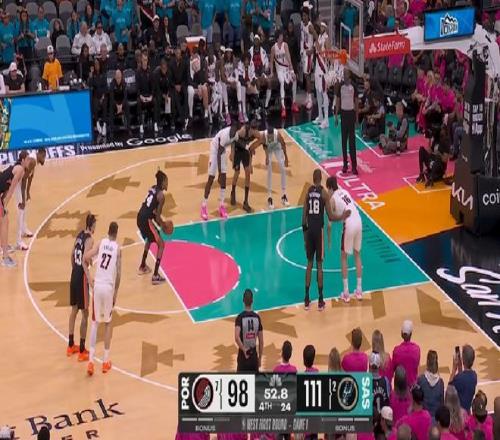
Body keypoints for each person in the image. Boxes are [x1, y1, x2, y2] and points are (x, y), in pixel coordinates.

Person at [85, 221, 121, 376]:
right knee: (107, 324)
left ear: (108, 231)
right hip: (108, 288)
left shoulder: (100, 243)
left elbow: (86, 256)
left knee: (95, 323)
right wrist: (116, 293)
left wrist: (90, 266)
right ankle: (105, 361)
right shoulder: (118, 249)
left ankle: (91, 361)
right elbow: (119, 274)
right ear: (116, 233)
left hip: (98, 286)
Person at [302, 169, 340, 311]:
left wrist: (304, 236)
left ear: (313, 178)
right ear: (321, 178)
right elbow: (330, 216)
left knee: (309, 264)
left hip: (309, 230)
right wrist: (342, 216)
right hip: (319, 231)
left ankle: (306, 299)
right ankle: (320, 300)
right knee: (319, 265)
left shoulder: (308, 192)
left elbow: (303, 216)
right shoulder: (324, 193)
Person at [326, 176, 362, 302]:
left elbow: (330, 222)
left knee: (343, 257)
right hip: (359, 221)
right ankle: (359, 291)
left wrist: (329, 238)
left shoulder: (332, 199)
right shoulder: (345, 192)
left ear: (330, 188)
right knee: (357, 255)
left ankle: (346, 293)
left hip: (349, 223)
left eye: (328, 189)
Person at [67, 213, 96, 361]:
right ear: (92, 225)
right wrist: (89, 278)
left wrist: (75, 269)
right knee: (85, 313)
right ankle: (82, 350)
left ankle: (70, 344)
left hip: (74, 274)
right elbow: (85, 259)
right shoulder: (90, 239)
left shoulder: (79, 235)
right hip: (82, 277)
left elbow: (72, 254)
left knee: (74, 310)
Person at [137, 170, 169, 285]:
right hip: (146, 220)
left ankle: (142, 266)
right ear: (163, 182)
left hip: (140, 216)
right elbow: (157, 217)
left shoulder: (152, 188)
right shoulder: (161, 196)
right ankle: (155, 276)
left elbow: (153, 213)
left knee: (150, 238)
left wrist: (160, 224)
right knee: (161, 244)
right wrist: (164, 225)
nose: (167, 183)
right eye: (166, 181)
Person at [200, 125, 239, 220]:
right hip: (215, 150)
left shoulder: (236, 135)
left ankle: (221, 206)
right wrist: (220, 172)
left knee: (224, 180)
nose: (234, 131)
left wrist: (232, 155)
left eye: (235, 130)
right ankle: (203, 206)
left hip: (222, 150)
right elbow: (218, 154)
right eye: (233, 129)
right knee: (211, 178)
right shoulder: (225, 135)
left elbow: (233, 144)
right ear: (231, 127)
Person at [0, 151, 28, 268]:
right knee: (4, 221)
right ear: (23, 160)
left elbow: (6, 188)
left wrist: (3, 204)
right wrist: (4, 206)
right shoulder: (20, 169)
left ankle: (3, 246)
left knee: (4, 220)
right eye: (27, 159)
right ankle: (5, 257)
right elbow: (11, 189)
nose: (28, 162)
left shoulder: (16, 169)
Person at [15, 149, 46, 251]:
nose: (44, 159)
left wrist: (27, 192)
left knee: (24, 209)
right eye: (44, 156)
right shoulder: (32, 161)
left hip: (21, 183)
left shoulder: (34, 161)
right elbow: (24, 179)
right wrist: (23, 198)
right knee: (20, 210)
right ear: (39, 154)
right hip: (17, 183)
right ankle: (19, 242)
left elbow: (30, 177)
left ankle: (24, 229)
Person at [230, 122, 259, 213]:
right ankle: (233, 192)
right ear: (251, 129)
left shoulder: (256, 134)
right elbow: (233, 139)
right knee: (237, 172)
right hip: (237, 150)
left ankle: (246, 202)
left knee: (248, 173)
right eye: (254, 131)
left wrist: (250, 164)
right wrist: (232, 153)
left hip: (245, 151)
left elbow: (253, 147)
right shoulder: (242, 131)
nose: (256, 132)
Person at [270, 30, 299, 118]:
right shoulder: (273, 48)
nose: (282, 37)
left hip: (287, 68)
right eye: (281, 36)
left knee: (294, 79)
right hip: (279, 70)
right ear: (277, 38)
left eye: (282, 36)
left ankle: (294, 103)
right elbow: (271, 62)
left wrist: (292, 70)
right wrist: (271, 72)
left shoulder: (285, 45)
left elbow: (288, 57)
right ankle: (283, 107)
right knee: (282, 81)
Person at [335, 69, 358, 174]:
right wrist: (336, 115)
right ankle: (345, 164)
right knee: (344, 141)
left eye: (346, 74)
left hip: (351, 114)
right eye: (343, 74)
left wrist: (356, 118)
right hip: (343, 114)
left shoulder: (354, 86)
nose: (344, 75)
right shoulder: (340, 86)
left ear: (349, 75)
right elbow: (338, 101)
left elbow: (356, 102)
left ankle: (354, 166)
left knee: (352, 142)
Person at [234, 289, 263, 372]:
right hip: (253, 357)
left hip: (243, 357)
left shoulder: (240, 317)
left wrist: (244, 349)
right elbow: (261, 341)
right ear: (252, 301)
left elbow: (236, 337)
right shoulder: (257, 318)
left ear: (243, 300)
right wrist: (260, 358)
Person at [261, 126, 289, 209]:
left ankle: (284, 195)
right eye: (269, 136)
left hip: (277, 147)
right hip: (269, 149)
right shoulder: (264, 136)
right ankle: (269, 197)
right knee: (269, 169)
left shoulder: (278, 135)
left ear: (273, 134)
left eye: (271, 136)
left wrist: (286, 158)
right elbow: (264, 146)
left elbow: (283, 144)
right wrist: (266, 157)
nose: (270, 138)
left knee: (283, 168)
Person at [417, 350, 444, 421]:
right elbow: (442, 404)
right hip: (436, 419)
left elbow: (416, 401)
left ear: (427, 362)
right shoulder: (441, 382)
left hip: (423, 418)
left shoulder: (421, 379)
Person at [392, 319, 421, 387]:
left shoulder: (396, 351)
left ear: (402, 334)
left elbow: (393, 369)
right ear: (411, 334)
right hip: (413, 387)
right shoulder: (417, 349)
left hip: (400, 387)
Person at [449, 345, 477, 413]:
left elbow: (449, 390)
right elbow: (463, 378)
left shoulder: (459, 379)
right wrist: (460, 366)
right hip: (467, 412)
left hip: (458, 414)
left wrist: (454, 369)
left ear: (463, 359)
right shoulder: (474, 376)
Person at [314, 22, 331, 129]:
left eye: (322, 26)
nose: (320, 28)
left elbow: (327, 55)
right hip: (317, 68)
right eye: (320, 26)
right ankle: (320, 115)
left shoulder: (326, 39)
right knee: (318, 92)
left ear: (325, 27)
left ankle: (326, 119)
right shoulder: (319, 37)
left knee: (324, 93)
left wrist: (319, 48)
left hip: (323, 68)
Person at [89, 59, 108, 142]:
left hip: (103, 95)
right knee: (95, 103)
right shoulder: (92, 75)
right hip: (96, 96)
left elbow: (105, 86)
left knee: (104, 103)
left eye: (98, 64)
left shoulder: (103, 74)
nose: (97, 66)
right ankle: (97, 123)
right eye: (95, 64)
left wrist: (103, 96)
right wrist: (90, 76)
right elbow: (90, 85)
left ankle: (104, 125)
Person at [300, 8, 315, 110]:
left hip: (309, 54)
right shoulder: (302, 24)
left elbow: (317, 38)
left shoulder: (310, 26)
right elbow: (302, 39)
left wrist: (312, 50)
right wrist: (301, 51)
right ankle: (307, 96)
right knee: (305, 76)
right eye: (303, 15)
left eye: (305, 15)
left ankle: (310, 99)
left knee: (308, 76)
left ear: (308, 16)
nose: (304, 17)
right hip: (304, 53)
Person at [136, 52, 154, 136]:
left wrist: (151, 96)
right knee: (139, 102)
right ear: (141, 60)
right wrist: (141, 96)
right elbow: (137, 87)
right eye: (143, 60)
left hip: (149, 95)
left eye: (146, 60)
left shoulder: (150, 71)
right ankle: (141, 125)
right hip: (141, 95)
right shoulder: (138, 72)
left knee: (155, 101)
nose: (145, 62)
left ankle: (155, 123)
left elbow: (153, 86)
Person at [109, 69, 131, 135]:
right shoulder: (112, 83)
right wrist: (117, 105)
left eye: (119, 76)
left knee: (127, 105)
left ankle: (128, 128)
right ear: (115, 77)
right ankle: (111, 130)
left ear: (121, 76)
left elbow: (125, 96)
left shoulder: (124, 83)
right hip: (115, 102)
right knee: (111, 106)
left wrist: (121, 105)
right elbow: (111, 97)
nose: (118, 78)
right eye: (117, 76)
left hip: (122, 102)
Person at [153, 57, 172, 132]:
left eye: (165, 68)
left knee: (171, 97)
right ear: (160, 67)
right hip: (158, 92)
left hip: (166, 91)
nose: (164, 70)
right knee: (158, 99)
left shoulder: (169, 73)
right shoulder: (156, 74)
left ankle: (169, 119)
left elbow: (170, 86)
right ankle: (158, 122)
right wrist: (163, 95)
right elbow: (157, 88)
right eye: (163, 68)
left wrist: (167, 94)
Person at [371, 352, 391, 417]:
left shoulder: (366, 382)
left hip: (372, 418)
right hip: (383, 418)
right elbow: (388, 398)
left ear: (370, 366)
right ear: (379, 366)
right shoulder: (385, 380)